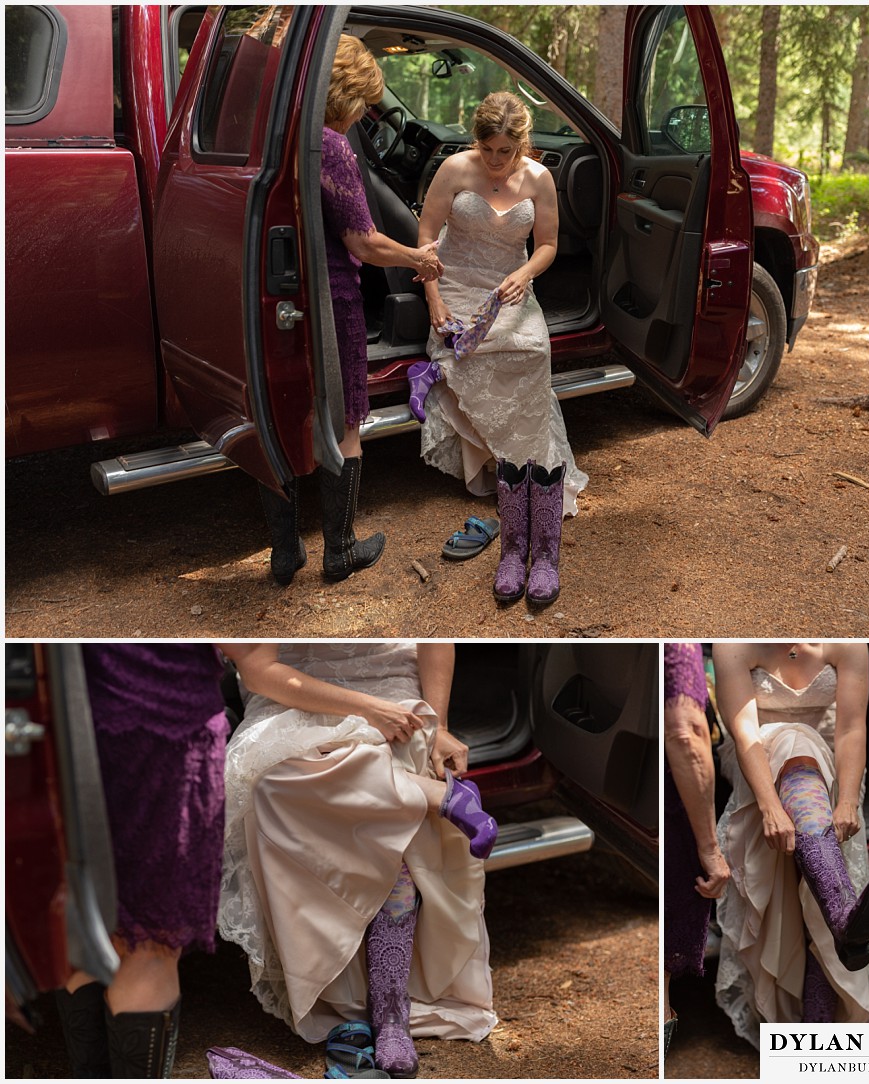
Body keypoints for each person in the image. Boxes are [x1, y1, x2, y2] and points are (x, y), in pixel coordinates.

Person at [218, 642, 498, 1077]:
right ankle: (438, 796)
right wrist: (367, 710)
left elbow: (434, 634)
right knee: (272, 786)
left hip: (389, 683)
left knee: (383, 800)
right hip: (289, 697)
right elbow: (258, 671)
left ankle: (390, 1014)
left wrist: (439, 725)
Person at [259, 35, 443, 587]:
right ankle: (339, 551)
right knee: (346, 424)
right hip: (332, 300)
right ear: (344, 95)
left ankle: (284, 553)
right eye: (364, 100)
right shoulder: (331, 146)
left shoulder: (274, 138)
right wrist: (419, 257)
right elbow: (363, 243)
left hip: (281, 299)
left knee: (284, 419)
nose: (367, 112)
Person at [410, 91, 588, 605]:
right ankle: (511, 515)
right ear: (477, 141)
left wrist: (523, 273)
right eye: (487, 149)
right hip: (457, 285)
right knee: (471, 349)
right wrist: (434, 300)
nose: (494, 161)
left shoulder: (539, 178)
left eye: (505, 152)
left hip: (511, 287)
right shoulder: (454, 169)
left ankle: (538, 529)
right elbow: (425, 237)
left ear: (521, 145)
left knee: (531, 350)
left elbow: (549, 244)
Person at [55, 644, 229, 1078]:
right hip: (164, 730)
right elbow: (251, 655)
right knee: (148, 946)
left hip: (54, 727)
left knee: (80, 927)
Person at [712, 642, 869, 1047]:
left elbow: (850, 729)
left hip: (833, 762)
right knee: (795, 742)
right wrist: (770, 805)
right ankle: (842, 914)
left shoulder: (847, 641)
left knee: (807, 746)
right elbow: (745, 736)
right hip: (756, 764)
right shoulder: (733, 643)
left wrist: (847, 799)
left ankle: (816, 1025)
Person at [662, 642, 730, 1056]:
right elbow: (686, 732)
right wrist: (709, 847)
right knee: (658, 987)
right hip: (674, 807)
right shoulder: (678, 646)